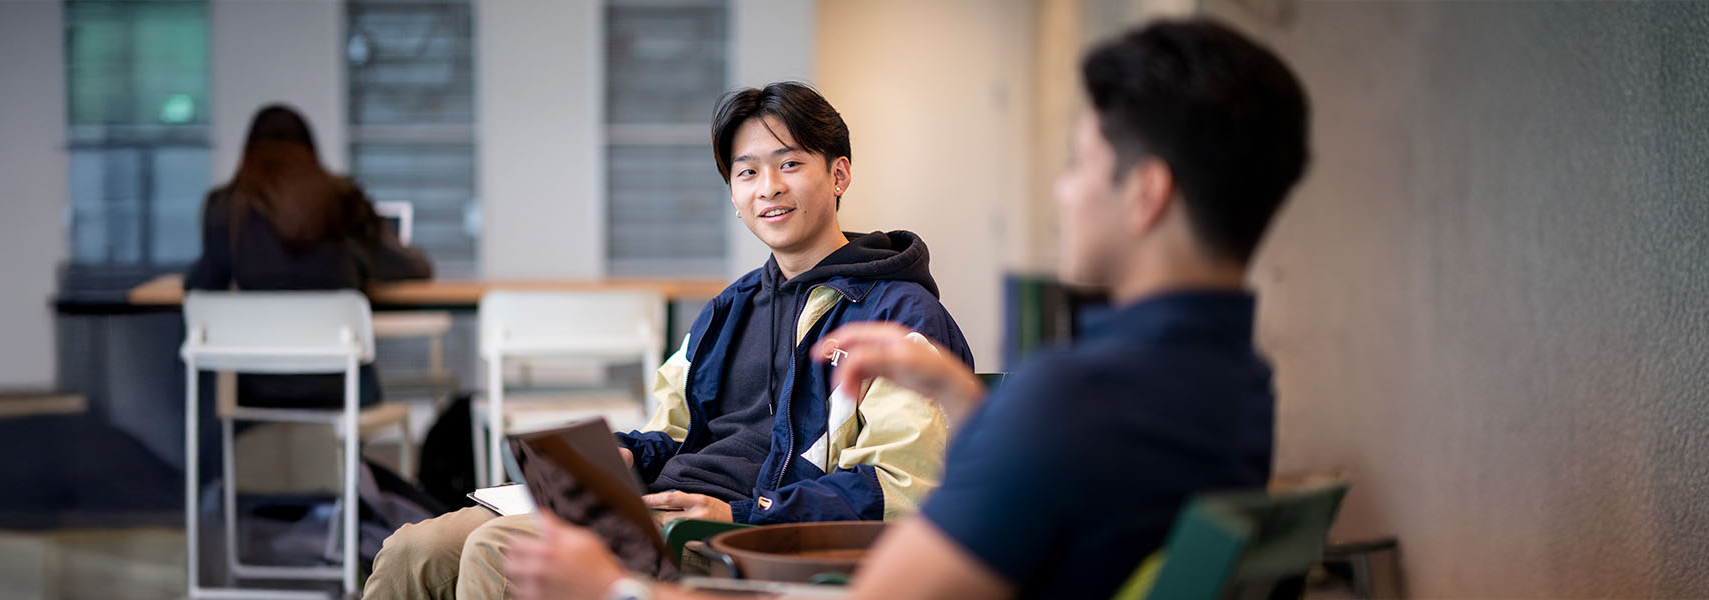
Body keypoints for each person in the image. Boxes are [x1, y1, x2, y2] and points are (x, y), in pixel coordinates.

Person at [503, 17, 1308, 600]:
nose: (1063, 194)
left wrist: (614, 591)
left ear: (1147, 194)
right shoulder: (1237, 387)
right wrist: (966, 399)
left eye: (1080, 164)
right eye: (748, 172)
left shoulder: (1070, 400)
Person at [363, 82, 974, 600]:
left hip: (743, 535)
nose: (768, 187)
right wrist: (628, 458)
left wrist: (742, 513)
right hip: (657, 508)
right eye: (747, 172)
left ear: (838, 174)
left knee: (498, 550)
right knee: (412, 550)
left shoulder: (895, 312)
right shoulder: (727, 311)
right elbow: (673, 433)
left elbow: (905, 487)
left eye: (790, 164)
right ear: (733, 196)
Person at [184, 104, 433, 409]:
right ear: (310, 151)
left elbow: (203, 284)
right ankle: (356, 458)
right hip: (342, 385)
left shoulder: (224, 208)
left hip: (257, 385)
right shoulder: (343, 199)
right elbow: (406, 267)